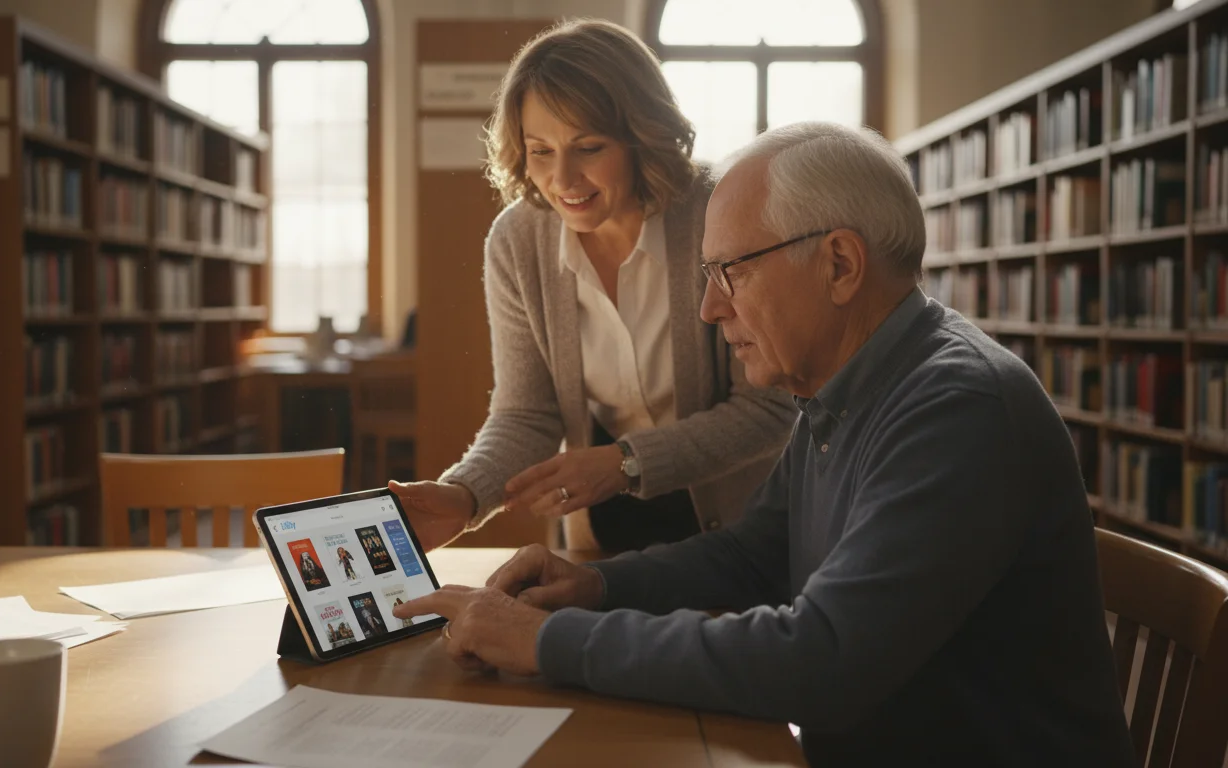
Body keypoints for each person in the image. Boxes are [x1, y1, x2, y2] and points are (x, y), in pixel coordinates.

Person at [392, 122, 1138, 767]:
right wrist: (596, 587)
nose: (712, 308)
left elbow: (821, 660)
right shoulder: (847, 382)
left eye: (731, 272)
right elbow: (757, 553)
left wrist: (547, 645)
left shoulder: (957, 408)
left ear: (840, 265)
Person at [389, 19, 797, 554]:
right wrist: (464, 496)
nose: (563, 179)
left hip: (744, 533)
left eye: (588, 147)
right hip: (602, 536)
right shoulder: (518, 241)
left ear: (641, 136)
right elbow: (527, 413)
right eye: (540, 150)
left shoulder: (717, 212)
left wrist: (628, 461)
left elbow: (770, 409)